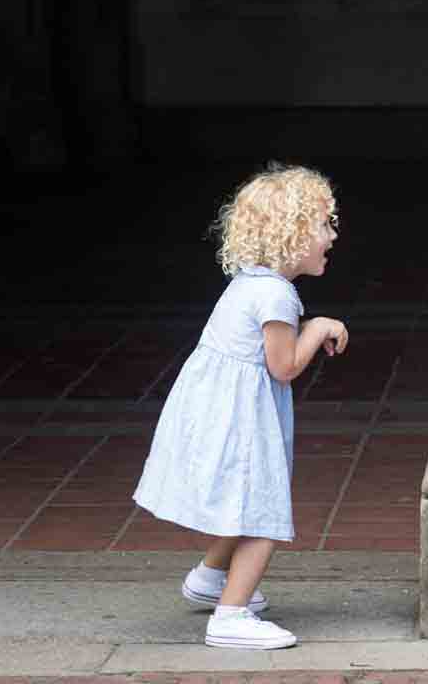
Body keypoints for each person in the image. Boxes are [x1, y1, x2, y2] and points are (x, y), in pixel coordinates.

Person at [133, 162, 349, 651]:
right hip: (240, 421)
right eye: (324, 225)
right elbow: (285, 366)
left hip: (222, 412)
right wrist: (319, 327)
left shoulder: (251, 283)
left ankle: (211, 579)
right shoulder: (277, 295)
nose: (332, 236)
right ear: (291, 234)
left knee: (242, 504)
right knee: (262, 511)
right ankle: (230, 616)